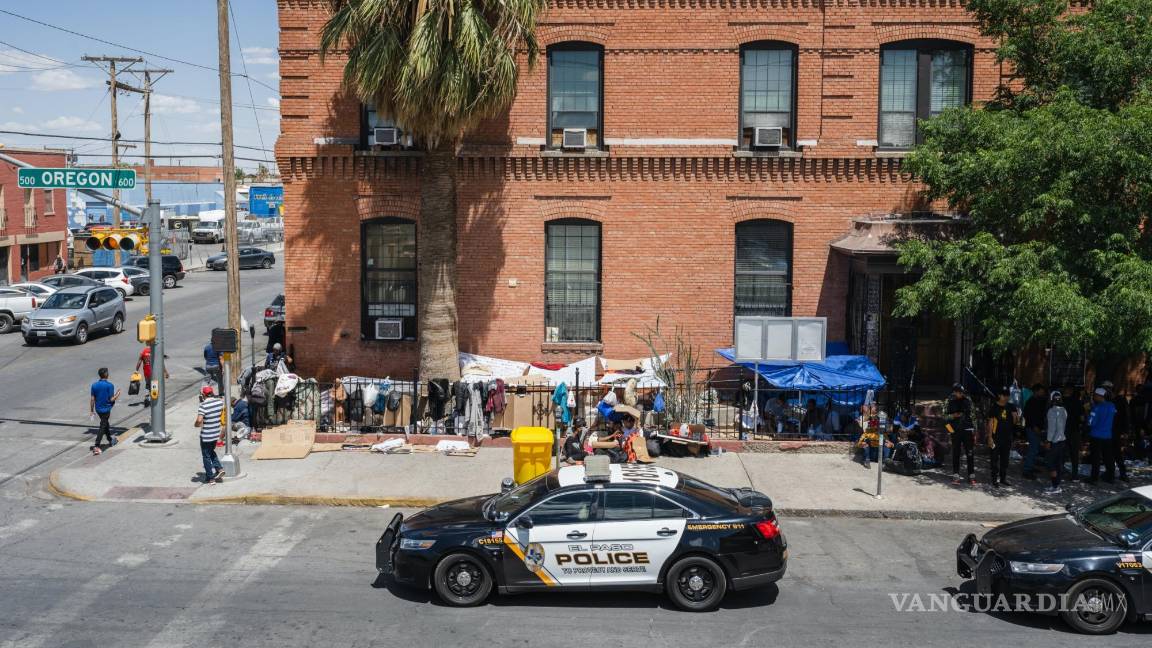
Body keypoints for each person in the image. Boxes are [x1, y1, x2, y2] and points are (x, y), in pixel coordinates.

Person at [986, 388, 1020, 487]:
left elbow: (1015, 422)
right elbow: (990, 423)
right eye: (1004, 395)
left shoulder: (1011, 406)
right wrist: (989, 437)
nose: (1006, 397)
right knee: (994, 459)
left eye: (1007, 395)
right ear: (999, 395)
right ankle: (994, 479)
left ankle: (1003, 478)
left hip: (1007, 437)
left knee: (1005, 459)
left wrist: (1015, 417)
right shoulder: (994, 407)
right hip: (995, 437)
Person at [945, 383, 976, 485]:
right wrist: (953, 416)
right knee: (956, 453)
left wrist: (975, 430)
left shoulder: (968, 400)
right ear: (954, 392)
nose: (961, 394)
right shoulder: (949, 401)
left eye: (962, 392)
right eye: (959, 392)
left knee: (970, 453)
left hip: (967, 430)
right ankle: (956, 475)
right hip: (955, 431)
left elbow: (973, 415)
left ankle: (971, 476)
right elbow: (944, 417)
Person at [194, 386, 225, 483]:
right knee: (211, 452)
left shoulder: (203, 405)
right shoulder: (219, 402)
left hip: (206, 435)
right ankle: (219, 469)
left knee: (206, 456)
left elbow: (199, 420)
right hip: (215, 433)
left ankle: (210, 478)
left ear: (203, 395)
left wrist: (196, 424)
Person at [1086, 387, 1116, 484]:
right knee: (1108, 457)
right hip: (1108, 435)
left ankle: (1094, 478)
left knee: (1096, 458)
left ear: (1100, 396)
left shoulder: (1097, 407)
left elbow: (1091, 422)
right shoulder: (1112, 406)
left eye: (1095, 395)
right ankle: (1111, 477)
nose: (1094, 397)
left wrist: (1088, 413)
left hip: (1096, 435)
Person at [89, 368, 121, 455]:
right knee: (103, 426)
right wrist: (118, 394)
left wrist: (91, 410)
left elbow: (92, 399)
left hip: (98, 409)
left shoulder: (94, 385)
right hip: (106, 409)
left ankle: (110, 440)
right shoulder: (109, 385)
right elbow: (111, 399)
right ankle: (97, 446)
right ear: (106, 374)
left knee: (105, 424)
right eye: (107, 372)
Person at [1021, 383, 1048, 479]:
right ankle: (1027, 470)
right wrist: (1034, 426)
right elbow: (1027, 415)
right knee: (1033, 449)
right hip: (1032, 428)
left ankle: (1031, 466)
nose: (1043, 393)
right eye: (1041, 391)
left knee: (1035, 449)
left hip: (1037, 428)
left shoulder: (1039, 401)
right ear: (1036, 391)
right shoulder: (1031, 401)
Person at [1043, 391, 1068, 494]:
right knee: (1058, 464)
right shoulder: (1064, 410)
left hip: (1054, 441)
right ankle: (1057, 485)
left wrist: (1048, 441)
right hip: (1062, 440)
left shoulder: (1051, 411)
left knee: (1051, 464)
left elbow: (1052, 428)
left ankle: (1055, 486)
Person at [1063, 387, 1085, 480]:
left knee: (1063, 451)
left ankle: (1060, 471)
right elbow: (1082, 418)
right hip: (1075, 430)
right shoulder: (1079, 403)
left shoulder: (1064, 402)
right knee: (1074, 454)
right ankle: (1074, 474)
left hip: (1063, 430)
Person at [1109, 388, 1130, 482]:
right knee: (1113, 453)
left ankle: (1120, 473)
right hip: (1112, 430)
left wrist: (1125, 431)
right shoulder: (1112, 401)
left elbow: (1125, 416)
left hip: (1116, 430)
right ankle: (1114, 473)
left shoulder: (1119, 401)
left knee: (1116, 452)